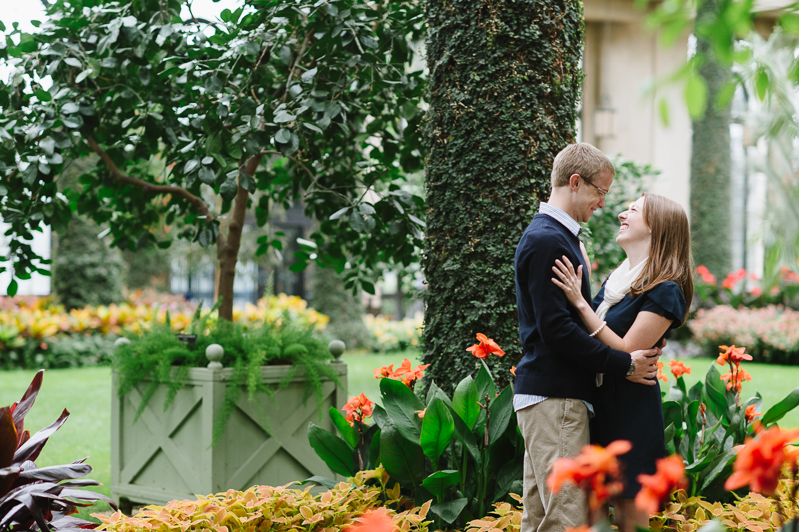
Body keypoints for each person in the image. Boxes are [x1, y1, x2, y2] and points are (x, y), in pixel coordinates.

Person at [513, 143, 662, 532]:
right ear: (575, 183)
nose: (603, 203)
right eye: (601, 191)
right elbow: (557, 330)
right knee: (565, 519)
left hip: (546, 396)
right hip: (556, 397)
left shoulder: (555, 236)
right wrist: (624, 364)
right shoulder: (550, 239)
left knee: (541, 517)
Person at [550, 193, 693, 532]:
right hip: (598, 405)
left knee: (631, 516)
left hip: (631, 413)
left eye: (632, 210)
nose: (620, 214)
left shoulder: (666, 288)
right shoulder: (619, 280)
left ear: (656, 227)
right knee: (591, 509)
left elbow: (628, 350)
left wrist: (580, 303)